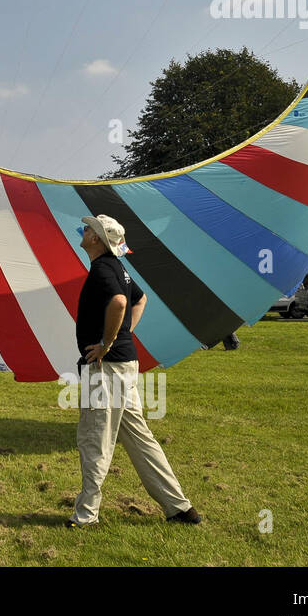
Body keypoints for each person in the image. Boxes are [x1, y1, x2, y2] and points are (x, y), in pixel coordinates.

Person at [66, 214, 201, 528]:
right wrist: (122, 335)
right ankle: (180, 508)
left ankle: (86, 516)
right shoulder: (118, 268)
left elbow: (119, 303)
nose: (84, 232)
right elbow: (140, 300)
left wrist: (106, 343)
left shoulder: (102, 269)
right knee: (141, 439)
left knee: (94, 439)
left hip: (107, 368)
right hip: (123, 365)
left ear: (98, 239)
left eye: (88, 229)